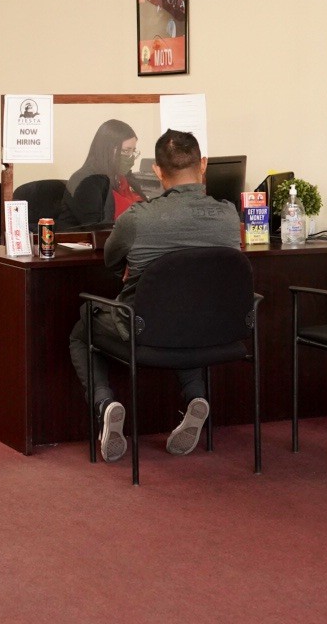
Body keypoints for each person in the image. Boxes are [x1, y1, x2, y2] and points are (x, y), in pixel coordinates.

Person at [68, 129, 242, 462]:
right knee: (188, 315)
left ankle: (105, 404)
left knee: (81, 329)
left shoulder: (138, 218)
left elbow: (111, 260)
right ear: (203, 164)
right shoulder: (229, 215)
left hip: (147, 329)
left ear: (157, 171)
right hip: (214, 328)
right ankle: (195, 397)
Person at [57, 119, 146, 228]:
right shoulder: (86, 181)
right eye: (125, 151)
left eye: (133, 151)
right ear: (106, 150)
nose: (131, 157)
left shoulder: (125, 178)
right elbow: (97, 228)